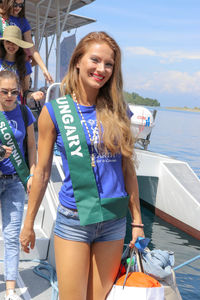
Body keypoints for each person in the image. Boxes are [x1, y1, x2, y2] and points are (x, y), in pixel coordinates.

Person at [20, 31, 144, 300]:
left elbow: (127, 169)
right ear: (78, 61)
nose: (101, 69)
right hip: (74, 219)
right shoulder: (54, 111)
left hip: (112, 219)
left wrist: (137, 222)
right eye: (95, 60)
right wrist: (29, 223)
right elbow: (41, 173)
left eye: (109, 64)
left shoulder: (119, 109)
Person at [0, 70, 36, 300]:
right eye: (4, 91)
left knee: (12, 237)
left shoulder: (24, 113)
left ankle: (11, 291)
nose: (9, 96)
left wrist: (32, 173)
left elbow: (32, 146)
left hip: (15, 183)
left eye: (14, 92)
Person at [0, 0, 53, 84]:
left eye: (21, 5)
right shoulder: (1, 16)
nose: (18, 7)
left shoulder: (23, 22)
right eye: (15, 4)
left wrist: (44, 69)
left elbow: (32, 48)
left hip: (15, 62)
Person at [0, 25, 44, 105]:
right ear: (3, 43)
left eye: (15, 42)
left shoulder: (25, 66)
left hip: (15, 110)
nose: (11, 45)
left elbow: (25, 91)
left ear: (19, 45)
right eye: (8, 42)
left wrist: (32, 94)